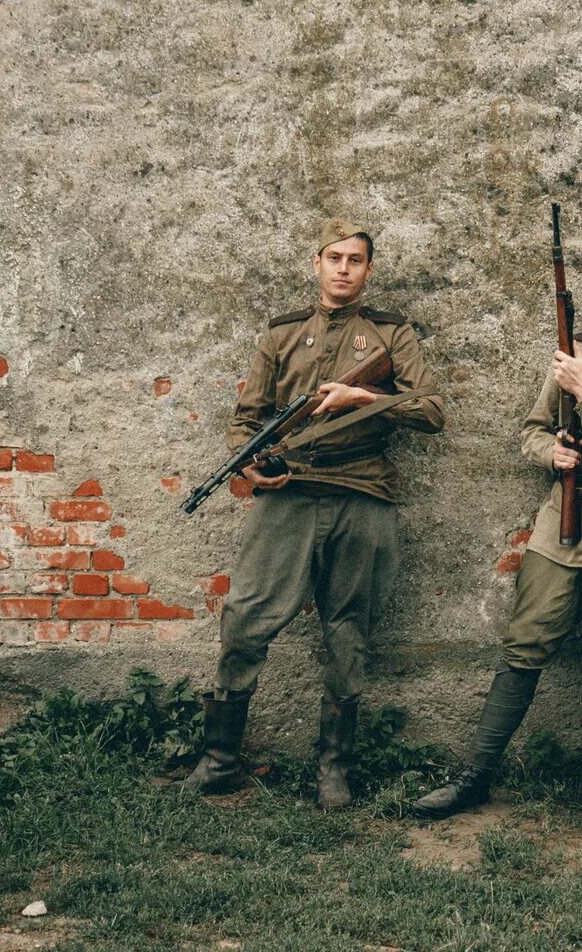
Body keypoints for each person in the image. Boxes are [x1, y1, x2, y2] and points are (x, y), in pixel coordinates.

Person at [412, 243, 582, 828]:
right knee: (525, 642)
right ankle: (475, 776)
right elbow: (533, 430)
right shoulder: (575, 351)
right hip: (562, 515)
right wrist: (551, 451)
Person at [182, 219, 446, 810]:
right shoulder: (281, 333)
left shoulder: (390, 334)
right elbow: (247, 419)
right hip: (289, 495)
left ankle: (335, 769)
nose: (344, 268)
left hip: (363, 493)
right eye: (334, 258)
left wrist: (366, 398)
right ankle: (220, 759)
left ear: (368, 270)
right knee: (245, 617)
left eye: (356, 260)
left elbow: (431, 410)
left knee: (349, 631)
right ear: (317, 262)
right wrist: (247, 467)